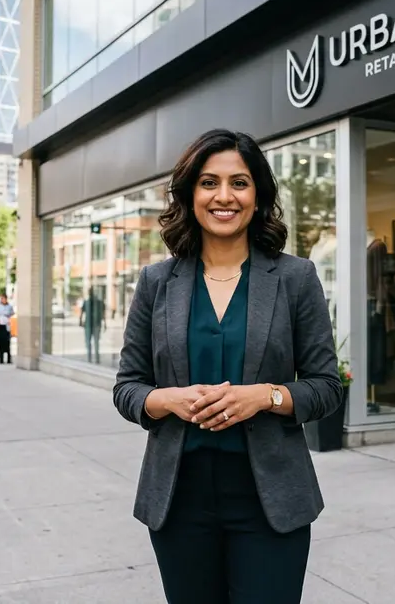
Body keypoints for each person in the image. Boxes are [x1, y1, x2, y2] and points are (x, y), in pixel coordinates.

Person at [113, 129, 342, 604]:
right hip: (179, 500)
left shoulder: (296, 278)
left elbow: (326, 387)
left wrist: (264, 396)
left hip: (271, 499)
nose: (224, 196)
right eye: (208, 182)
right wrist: (167, 401)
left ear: (257, 197)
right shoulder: (157, 281)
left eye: (239, 182)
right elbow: (128, 388)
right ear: (190, 195)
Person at [0, 295, 15, 364]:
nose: (2, 300)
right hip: (0, 326)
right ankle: (1, 359)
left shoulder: (9, 307)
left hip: (6, 326)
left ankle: (8, 359)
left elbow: (11, 313)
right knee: (0, 343)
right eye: (1, 299)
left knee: (7, 343)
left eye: (3, 299)